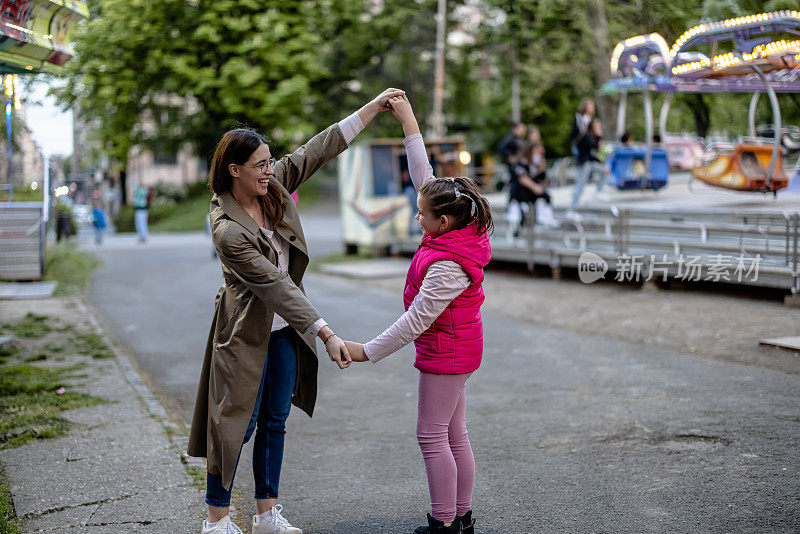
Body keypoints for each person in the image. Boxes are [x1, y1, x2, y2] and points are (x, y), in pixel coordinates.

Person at [187, 88, 405, 534]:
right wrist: (326, 333)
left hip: (284, 332)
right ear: (235, 170)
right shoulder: (227, 229)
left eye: (271, 162)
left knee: (274, 419)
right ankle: (217, 521)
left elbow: (318, 148)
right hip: (246, 331)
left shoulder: (272, 187)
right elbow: (276, 286)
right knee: (233, 425)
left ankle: (267, 515)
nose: (270, 170)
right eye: (261, 165)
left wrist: (373, 107)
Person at [345, 95, 492, 534]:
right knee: (453, 432)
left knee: (433, 436)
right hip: (457, 347)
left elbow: (415, 321)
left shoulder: (448, 265)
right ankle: (460, 517)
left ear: (442, 222)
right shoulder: (454, 231)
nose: (417, 214)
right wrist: (407, 118)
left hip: (447, 353)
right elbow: (422, 176)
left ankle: (445, 522)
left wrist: (366, 352)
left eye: (423, 214)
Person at [571, 114, 606, 208]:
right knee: (580, 185)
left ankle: (598, 192)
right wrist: (599, 137)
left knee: (603, 172)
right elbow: (593, 147)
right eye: (597, 125)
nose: (599, 127)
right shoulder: (586, 136)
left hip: (589, 162)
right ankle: (572, 207)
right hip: (583, 163)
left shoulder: (592, 136)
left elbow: (593, 153)